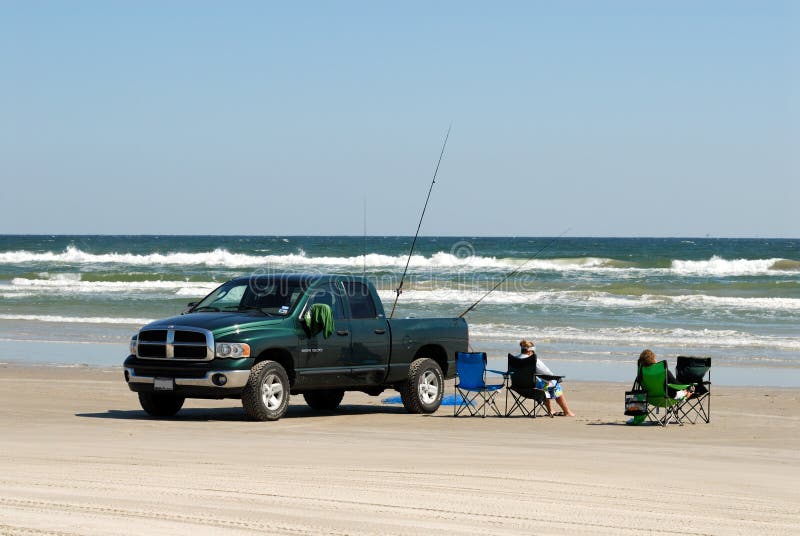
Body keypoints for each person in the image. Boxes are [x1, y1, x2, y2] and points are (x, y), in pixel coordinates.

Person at [515, 339, 576, 417]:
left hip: (518, 387)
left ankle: (551, 410)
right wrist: (556, 378)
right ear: (531, 351)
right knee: (554, 385)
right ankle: (567, 412)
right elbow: (548, 373)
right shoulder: (533, 360)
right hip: (533, 390)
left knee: (544, 384)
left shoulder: (514, 359)